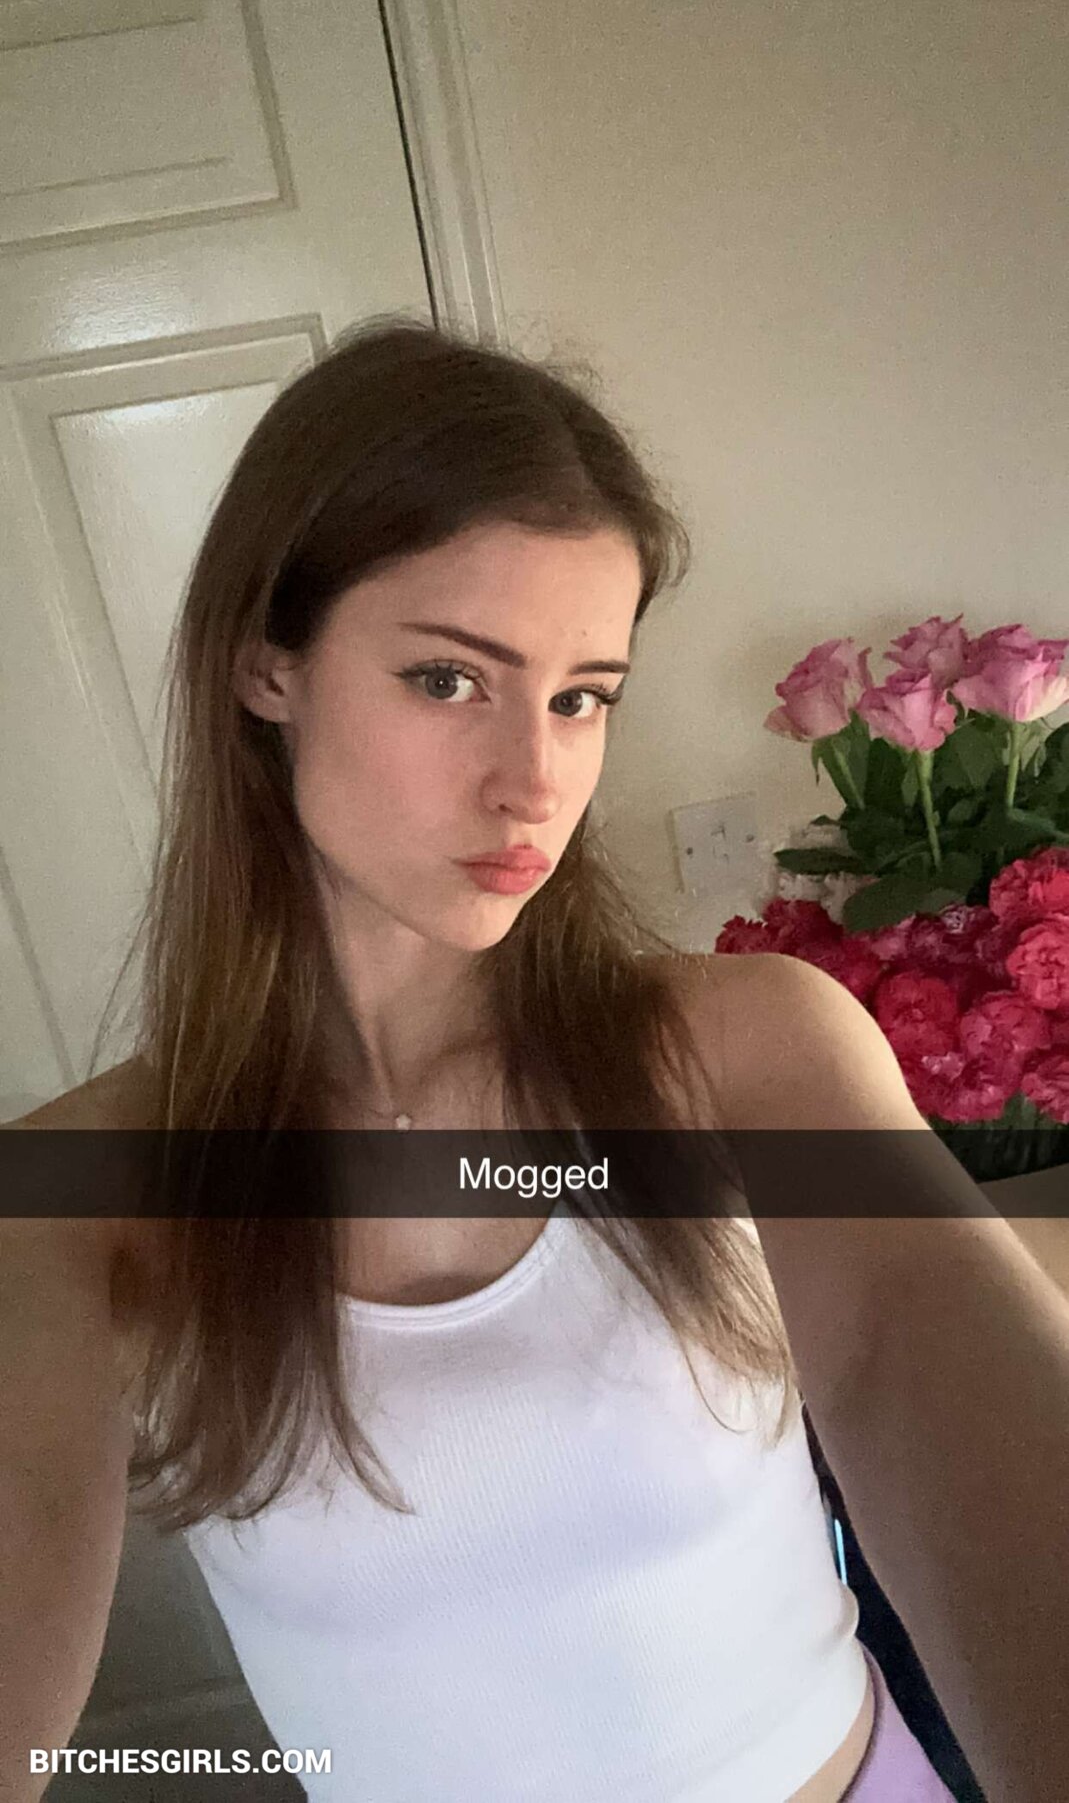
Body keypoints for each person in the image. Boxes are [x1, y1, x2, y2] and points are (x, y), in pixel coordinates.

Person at [4, 315, 1069, 1803]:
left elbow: (938, 1373)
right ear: (265, 667)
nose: (537, 779)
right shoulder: (77, 1200)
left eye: (582, 695)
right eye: (450, 680)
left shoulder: (745, 1052)